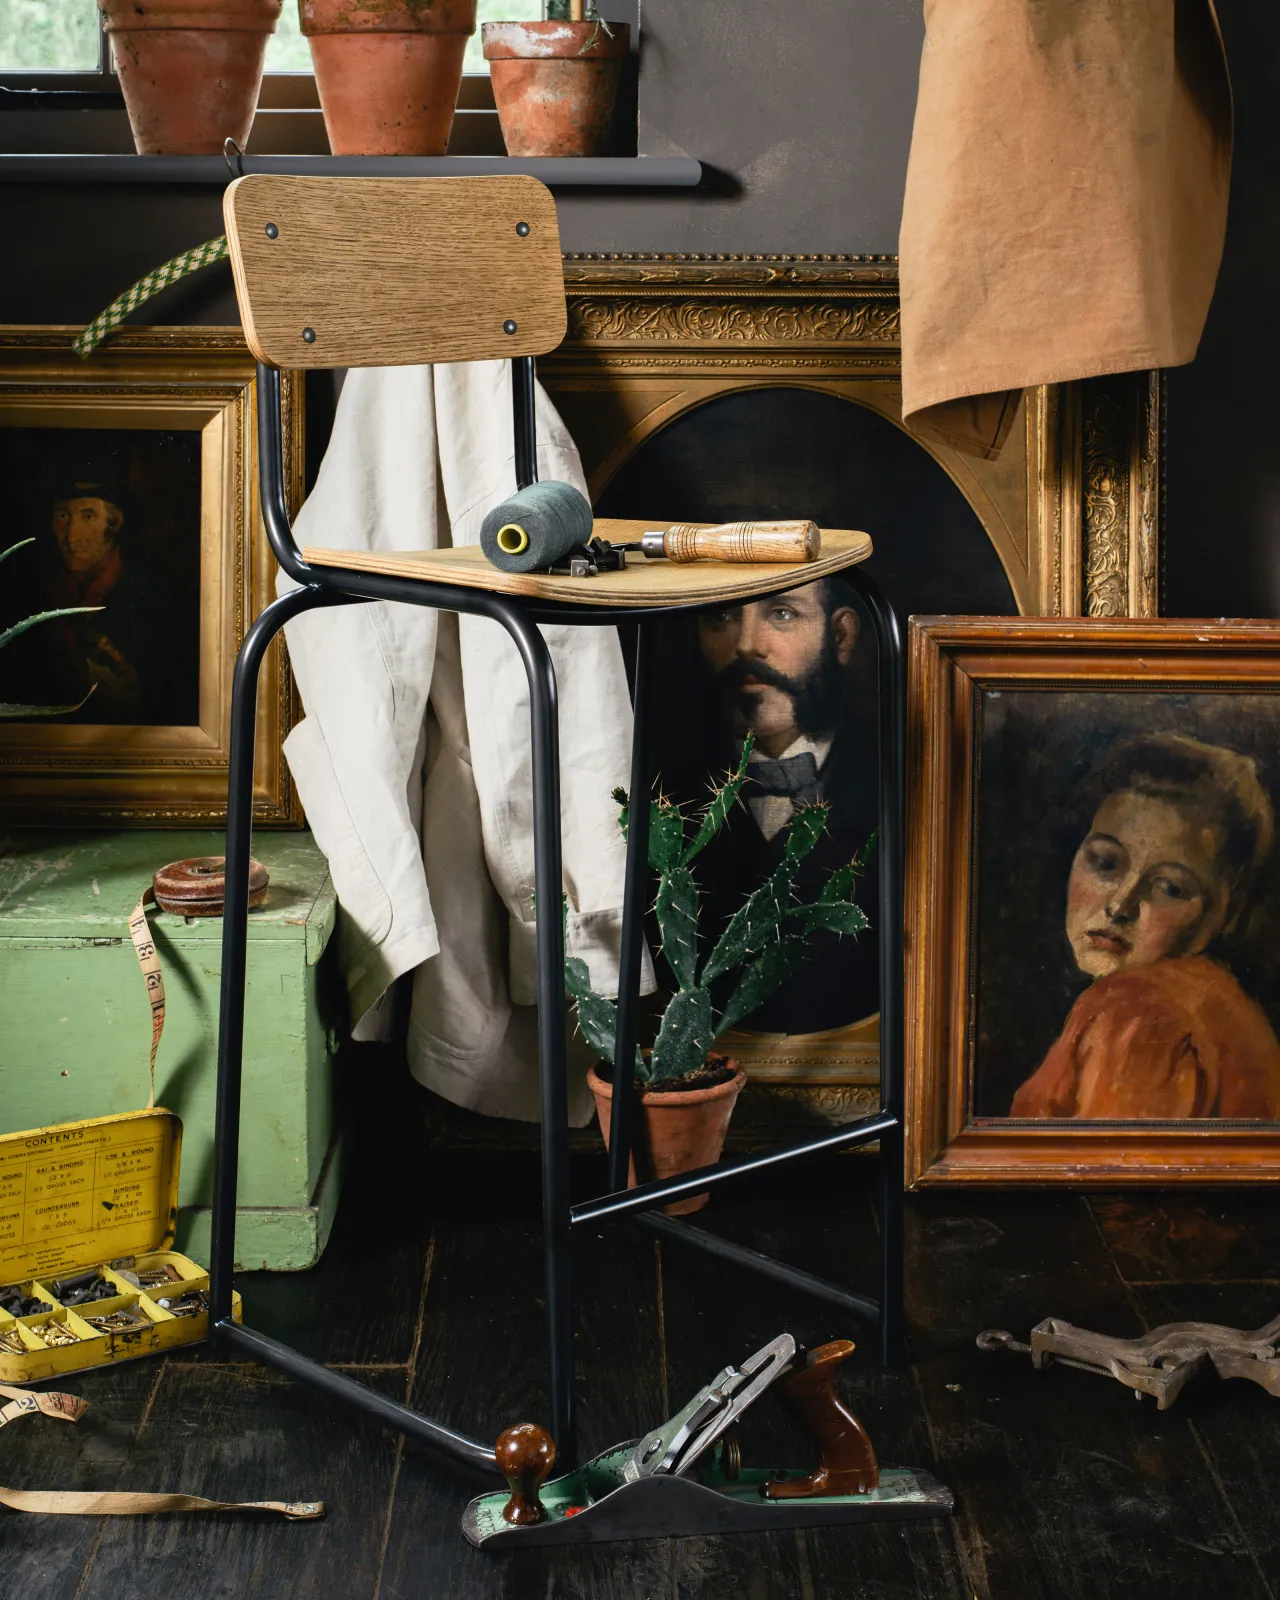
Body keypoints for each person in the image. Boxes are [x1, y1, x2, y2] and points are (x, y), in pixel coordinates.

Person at [1011, 734, 1280, 1120]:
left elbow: (1115, 1176)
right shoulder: (1231, 1013)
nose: (1120, 906)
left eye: (1170, 887)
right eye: (1105, 863)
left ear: (1226, 914)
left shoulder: (1139, 1013)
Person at [657, 576, 878, 1033]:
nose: (745, 646)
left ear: (840, 636)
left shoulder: (893, 777)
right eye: (722, 616)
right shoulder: (659, 784)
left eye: (782, 615)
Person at [28, 479, 193, 725]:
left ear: (115, 524)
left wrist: (135, 701)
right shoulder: (32, 592)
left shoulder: (157, 600)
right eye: (63, 515)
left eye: (88, 516)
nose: (72, 537)